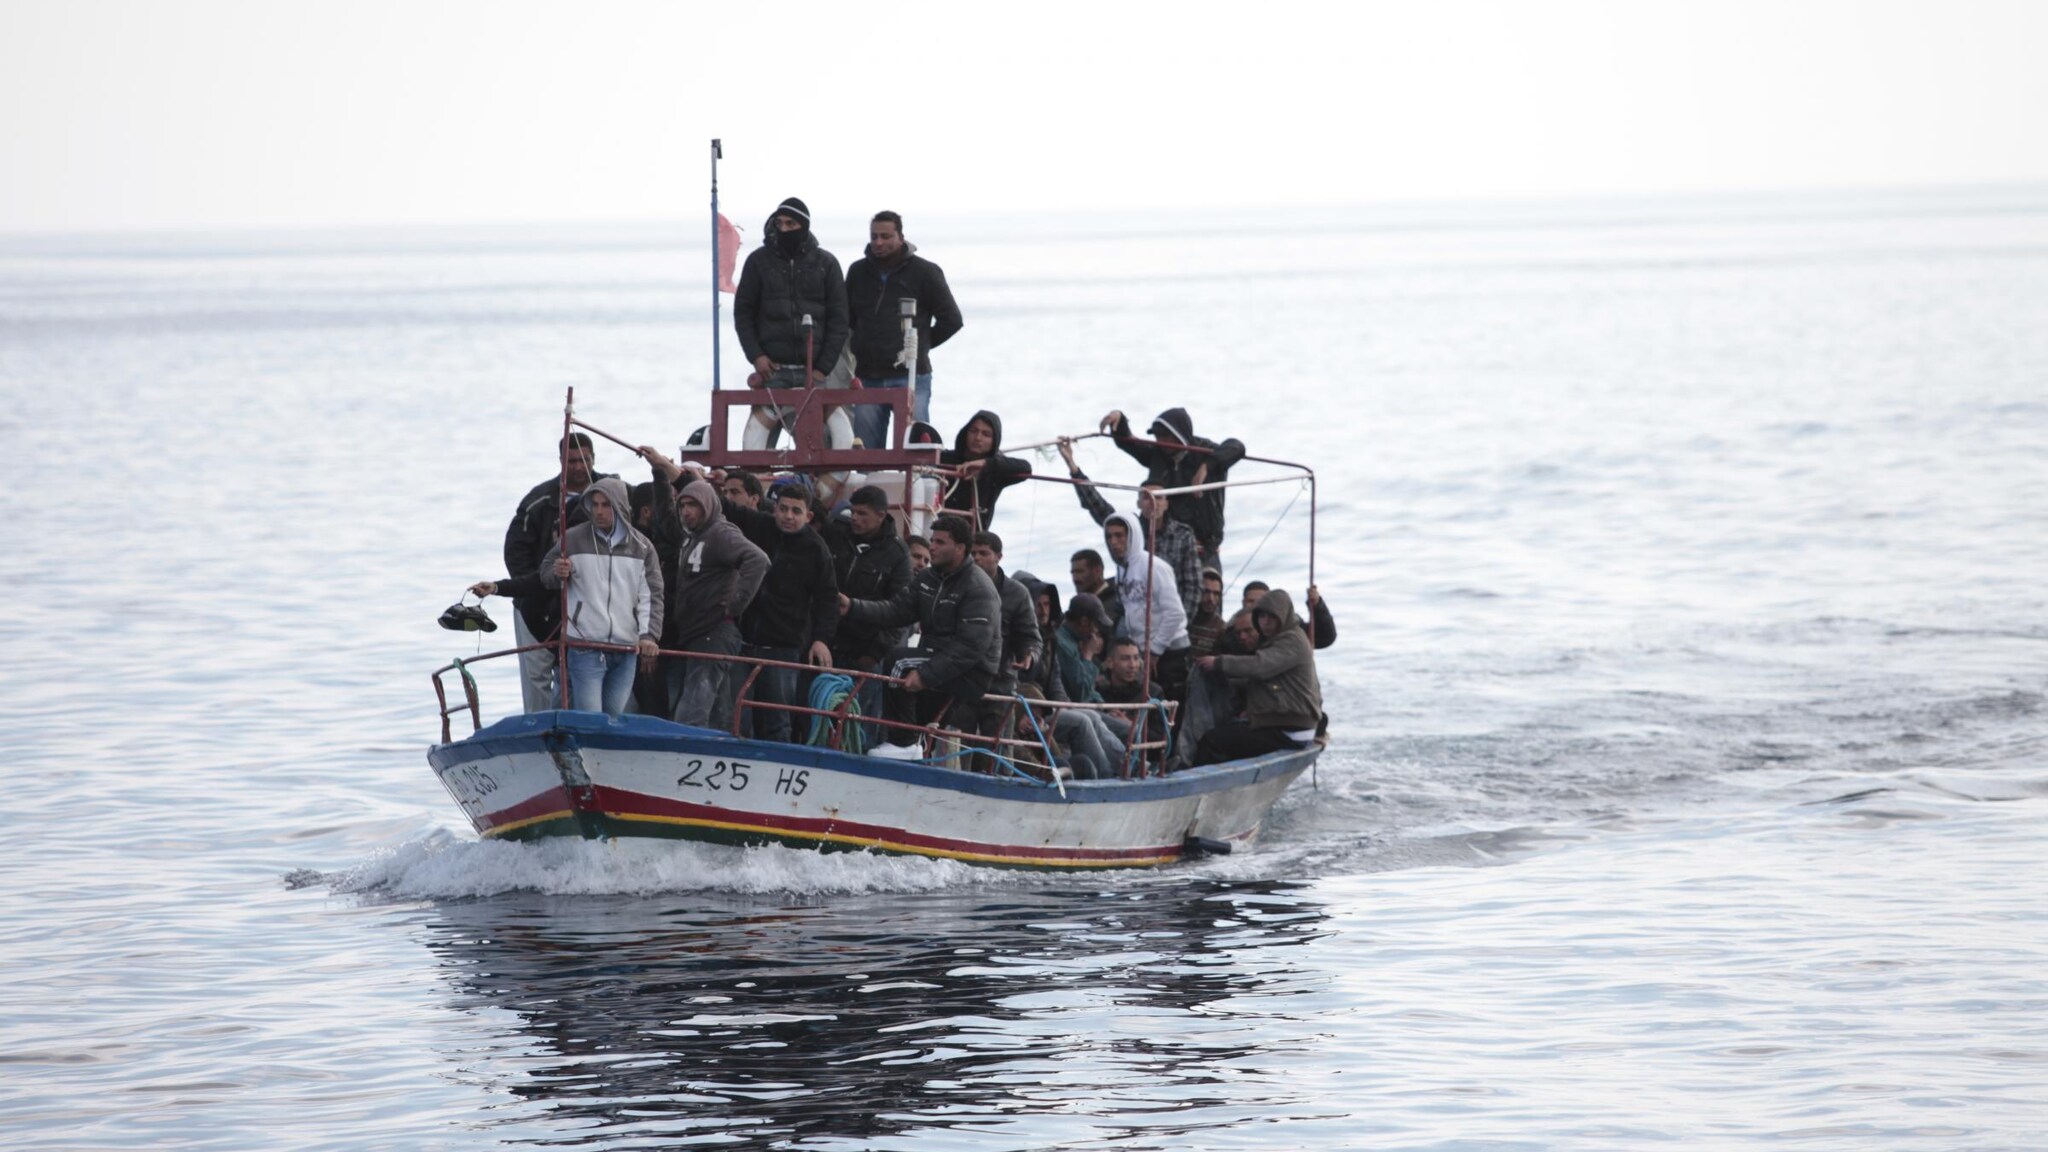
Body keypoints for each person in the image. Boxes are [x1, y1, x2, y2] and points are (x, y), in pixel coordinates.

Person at [471, 477, 663, 717]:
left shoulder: (642, 547)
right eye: (595, 504)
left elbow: (652, 595)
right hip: (585, 646)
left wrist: (649, 635)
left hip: (625, 649)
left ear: (620, 506)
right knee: (591, 717)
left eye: (606, 505)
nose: (599, 511)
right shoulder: (573, 539)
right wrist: (557, 571)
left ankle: (598, 754)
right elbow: (544, 574)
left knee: (613, 715)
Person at [839, 515, 1001, 759]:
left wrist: (925, 675)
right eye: (931, 540)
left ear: (960, 549)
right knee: (923, 724)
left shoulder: (978, 587)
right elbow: (895, 611)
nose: (932, 547)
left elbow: (971, 647)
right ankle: (913, 756)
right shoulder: (929, 578)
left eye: (940, 542)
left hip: (972, 671)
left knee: (897, 661)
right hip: (937, 660)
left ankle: (901, 743)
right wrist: (853, 606)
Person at [713, 477, 840, 743]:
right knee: (733, 718)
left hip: (783, 649)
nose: (788, 516)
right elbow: (723, 506)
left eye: (796, 511)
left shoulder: (817, 550)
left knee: (777, 722)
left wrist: (821, 639)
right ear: (774, 509)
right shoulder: (761, 526)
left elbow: (828, 600)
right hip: (743, 642)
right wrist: (676, 474)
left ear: (808, 515)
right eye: (783, 509)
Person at [646, 465, 770, 728]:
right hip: (698, 633)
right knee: (716, 708)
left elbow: (757, 559)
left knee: (693, 708)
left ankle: (684, 753)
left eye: (693, 505)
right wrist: (659, 475)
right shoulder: (692, 537)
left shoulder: (720, 533)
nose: (686, 511)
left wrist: (735, 605)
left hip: (715, 631)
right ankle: (717, 751)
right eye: (683, 505)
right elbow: (667, 520)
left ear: (708, 506)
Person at [501, 433, 612, 712]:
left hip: (590, 600)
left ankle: (582, 726)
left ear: (593, 458)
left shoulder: (612, 494)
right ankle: (538, 730)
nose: (578, 467)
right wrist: (535, 586)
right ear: (561, 460)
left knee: (582, 667)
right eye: (572, 461)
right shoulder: (539, 501)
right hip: (536, 600)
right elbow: (515, 550)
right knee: (536, 671)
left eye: (584, 460)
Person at [844, 210, 963, 449]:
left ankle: (916, 487)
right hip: (868, 374)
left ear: (901, 236)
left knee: (915, 449)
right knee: (865, 451)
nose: (878, 242)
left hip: (912, 375)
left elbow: (951, 319)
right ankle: (868, 487)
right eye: (874, 236)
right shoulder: (857, 272)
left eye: (886, 236)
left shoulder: (925, 272)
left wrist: (918, 347)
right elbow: (847, 319)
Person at [1058, 438, 1202, 618]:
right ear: (1138, 503)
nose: (1152, 503)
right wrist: (1073, 466)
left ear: (1166, 503)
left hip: (1170, 618)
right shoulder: (1129, 529)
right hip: (1132, 617)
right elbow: (1099, 507)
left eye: (1158, 498)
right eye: (1146, 498)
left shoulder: (1183, 535)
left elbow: (1192, 585)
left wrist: (1179, 623)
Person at [1191, 589, 1322, 766]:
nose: (1266, 622)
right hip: (1281, 725)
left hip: (1291, 730)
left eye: (1271, 617)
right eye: (1262, 617)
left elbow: (1260, 666)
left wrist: (1218, 662)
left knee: (1212, 740)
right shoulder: (1276, 640)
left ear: (1283, 616)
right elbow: (1264, 681)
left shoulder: (1292, 640)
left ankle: (1202, 786)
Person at [1101, 407, 1246, 568]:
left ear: (1180, 435)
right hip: (1169, 545)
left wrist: (1206, 466)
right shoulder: (1157, 454)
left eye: (1165, 436)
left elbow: (1237, 446)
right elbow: (1129, 443)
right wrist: (1120, 420)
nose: (1160, 441)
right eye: (1157, 436)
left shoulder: (1205, 450)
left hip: (1205, 547)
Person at [821, 484, 913, 728]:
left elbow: (901, 611)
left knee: (858, 724)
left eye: (863, 514)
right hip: (827, 644)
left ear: (881, 515)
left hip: (865, 653)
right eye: (854, 512)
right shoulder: (836, 534)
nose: (855, 519)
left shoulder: (898, 554)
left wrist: (873, 653)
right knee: (818, 714)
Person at [734, 197, 849, 390]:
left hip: (815, 372)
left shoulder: (826, 263)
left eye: (791, 223)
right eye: (779, 223)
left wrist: (823, 368)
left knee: (833, 420)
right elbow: (743, 313)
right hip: (773, 370)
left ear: (804, 226)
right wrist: (756, 356)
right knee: (759, 421)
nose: (784, 229)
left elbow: (839, 319)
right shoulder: (758, 262)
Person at [1103, 511, 1191, 694]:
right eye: (1109, 536)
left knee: (1167, 703)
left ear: (1132, 536)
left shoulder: (1154, 567)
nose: (1113, 542)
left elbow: (1175, 613)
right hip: (1144, 651)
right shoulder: (1121, 570)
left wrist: (1155, 651)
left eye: (1119, 535)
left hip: (1169, 650)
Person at [971, 531, 1042, 698]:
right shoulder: (958, 586)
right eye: (973, 553)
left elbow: (1029, 636)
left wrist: (1029, 656)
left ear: (998, 556)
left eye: (983, 553)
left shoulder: (1018, 593)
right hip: (963, 681)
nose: (976, 558)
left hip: (1001, 684)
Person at [939, 410, 1031, 528]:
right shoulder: (945, 459)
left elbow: (1026, 468)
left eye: (986, 434)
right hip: (939, 532)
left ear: (994, 441)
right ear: (965, 433)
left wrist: (986, 464)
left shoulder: (996, 469)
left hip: (975, 537)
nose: (978, 438)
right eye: (973, 431)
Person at [1244, 581, 1338, 650]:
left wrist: (1317, 606)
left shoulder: (1288, 623)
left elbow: (1325, 637)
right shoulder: (1235, 625)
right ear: (1243, 602)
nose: (1256, 605)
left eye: (1261, 601)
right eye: (1251, 601)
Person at [1068, 548, 1123, 634]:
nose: (1075, 578)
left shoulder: (1118, 603)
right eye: (1073, 573)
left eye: (1080, 572)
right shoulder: (1077, 607)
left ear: (1098, 571)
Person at [1187, 568, 1228, 657]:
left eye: (1216, 594)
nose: (1211, 599)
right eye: (1206, 592)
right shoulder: (1182, 620)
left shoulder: (1222, 629)